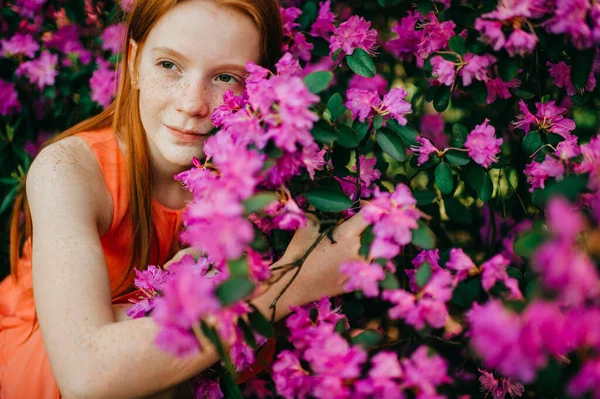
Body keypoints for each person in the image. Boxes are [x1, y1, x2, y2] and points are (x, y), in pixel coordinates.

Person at [0, 0, 369, 397]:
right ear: (135, 61)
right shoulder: (67, 170)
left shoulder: (266, 186)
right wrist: (293, 284)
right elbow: (88, 375)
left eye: (226, 77)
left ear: (261, 89)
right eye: (169, 65)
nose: (193, 103)